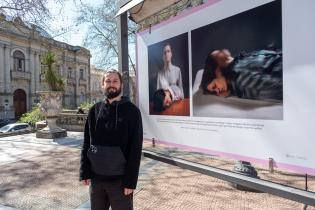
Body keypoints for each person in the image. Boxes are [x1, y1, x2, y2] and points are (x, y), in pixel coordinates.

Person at [79, 70, 143, 210]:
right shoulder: (94, 110)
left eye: (115, 81)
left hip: (120, 182)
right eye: (108, 81)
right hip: (96, 181)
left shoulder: (132, 112)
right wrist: (84, 172)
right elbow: (86, 143)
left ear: (121, 85)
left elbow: (136, 149)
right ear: (103, 85)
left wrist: (130, 182)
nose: (111, 84)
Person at [200, 48, 283, 101]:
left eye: (214, 86)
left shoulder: (239, 62)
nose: (217, 91)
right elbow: (280, 87)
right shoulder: (241, 80)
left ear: (217, 72)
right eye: (215, 92)